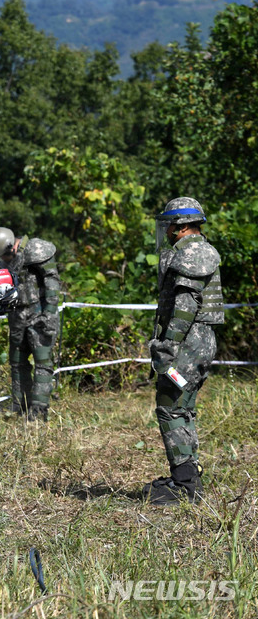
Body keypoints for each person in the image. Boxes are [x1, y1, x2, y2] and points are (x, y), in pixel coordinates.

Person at [144, 197, 224, 505]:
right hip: (199, 340)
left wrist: (168, 346)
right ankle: (187, 476)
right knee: (183, 406)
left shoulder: (193, 253)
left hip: (189, 342)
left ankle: (185, 485)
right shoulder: (200, 250)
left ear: (180, 227)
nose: (165, 232)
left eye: (168, 226)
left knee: (170, 406)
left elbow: (187, 306)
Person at [0, 227, 60, 421]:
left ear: (12, 247)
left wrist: (49, 315)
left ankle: (39, 410)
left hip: (39, 315)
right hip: (17, 316)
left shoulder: (35, 250)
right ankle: (19, 405)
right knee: (17, 363)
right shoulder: (1, 260)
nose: (5, 261)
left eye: (6, 256)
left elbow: (52, 283)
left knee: (42, 363)